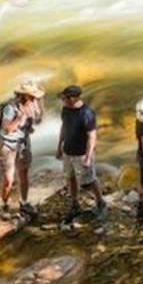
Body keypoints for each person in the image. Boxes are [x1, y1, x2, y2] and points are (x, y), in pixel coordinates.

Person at [56, 85, 107, 224]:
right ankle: (74, 204)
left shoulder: (87, 113)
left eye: (64, 98)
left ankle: (101, 203)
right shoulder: (66, 109)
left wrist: (88, 157)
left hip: (81, 154)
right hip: (68, 151)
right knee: (70, 178)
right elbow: (63, 127)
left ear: (73, 99)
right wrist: (59, 146)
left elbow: (92, 136)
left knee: (88, 181)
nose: (62, 100)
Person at [0, 81, 45, 218]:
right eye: (32, 95)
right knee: (8, 179)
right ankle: (4, 204)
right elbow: (7, 128)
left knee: (24, 174)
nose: (35, 97)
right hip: (8, 145)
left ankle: (24, 203)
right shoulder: (11, 108)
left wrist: (39, 109)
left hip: (23, 143)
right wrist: (20, 118)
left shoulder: (33, 103)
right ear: (25, 95)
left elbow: (38, 121)